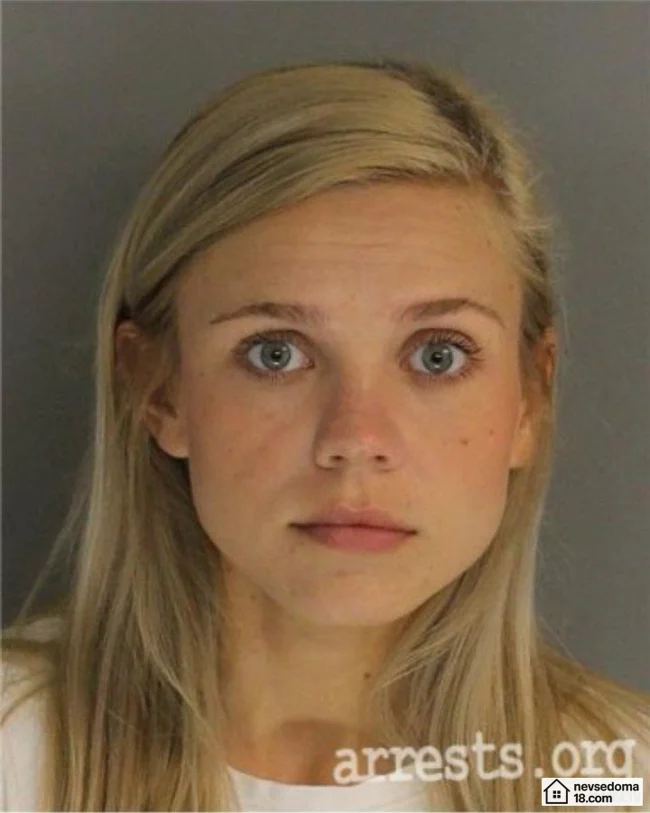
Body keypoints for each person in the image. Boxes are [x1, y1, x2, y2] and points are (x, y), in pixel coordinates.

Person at [2, 56, 649, 812]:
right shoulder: (19, 753)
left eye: (438, 355)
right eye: (275, 353)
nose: (356, 438)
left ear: (529, 399)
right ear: (158, 389)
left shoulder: (606, 783)